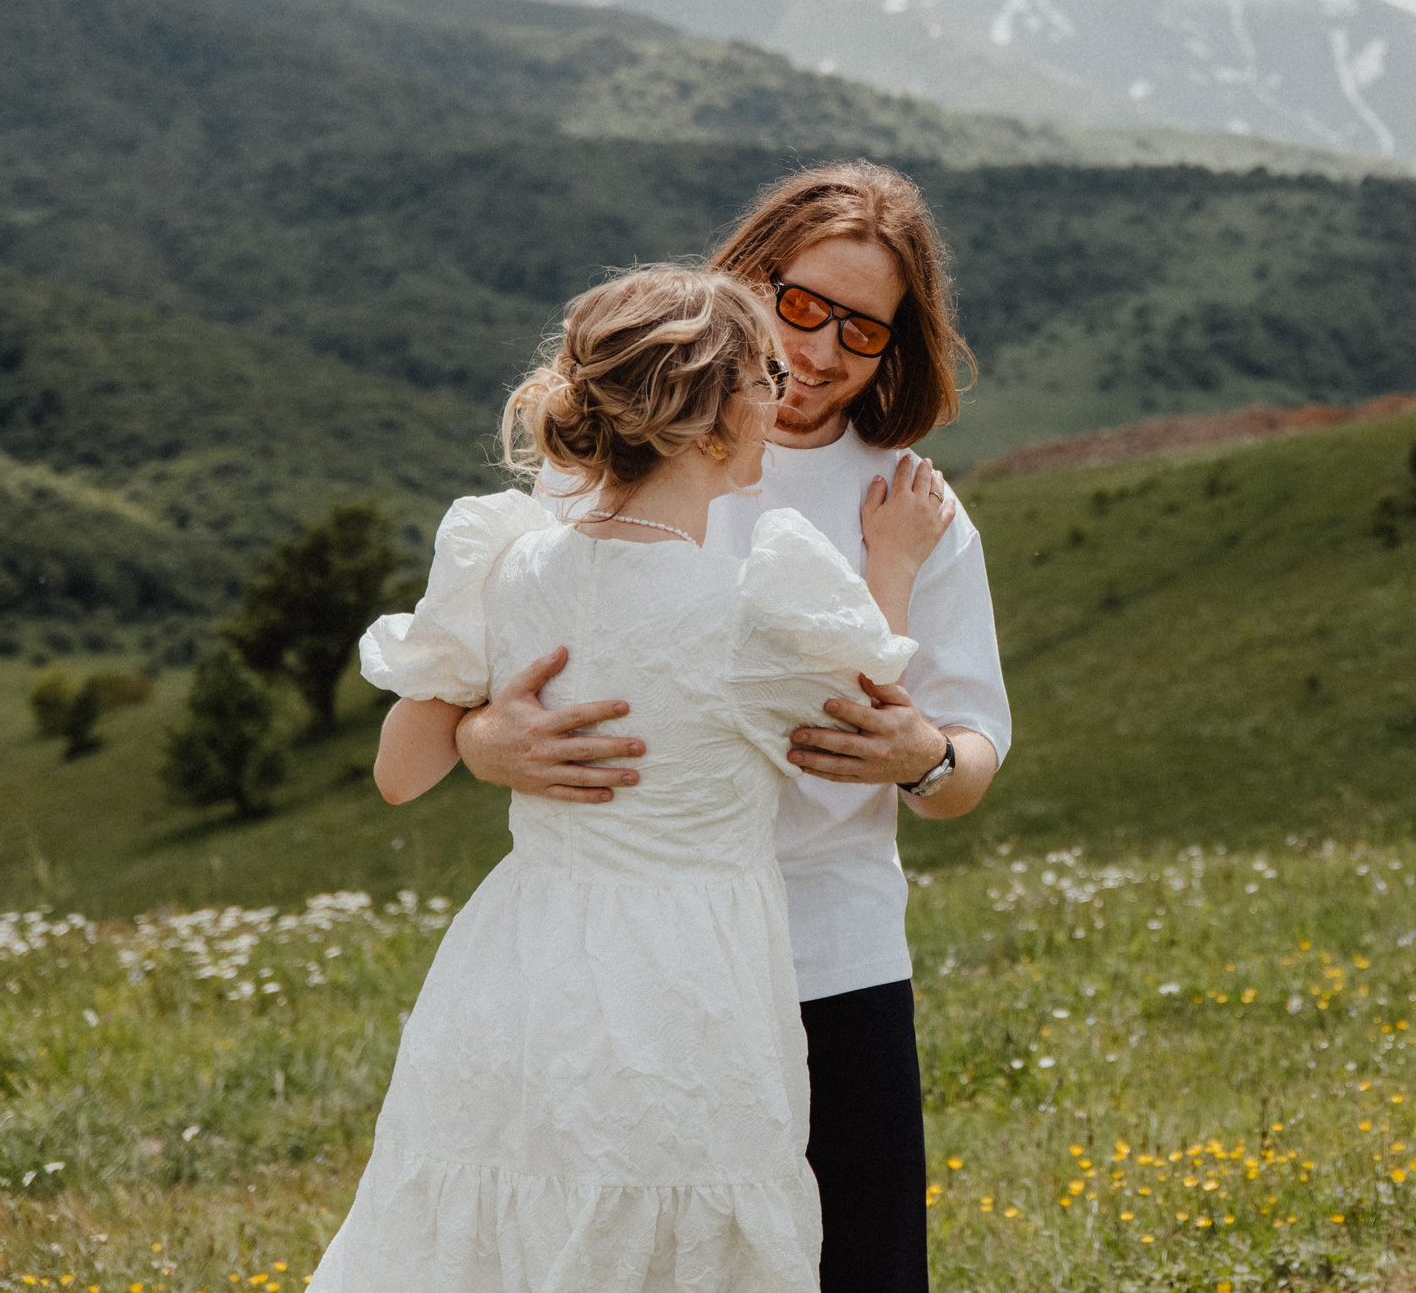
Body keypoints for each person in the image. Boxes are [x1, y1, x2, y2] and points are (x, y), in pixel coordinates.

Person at [313, 264, 954, 1291]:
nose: (780, 394)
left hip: (519, 972)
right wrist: (896, 561)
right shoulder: (749, 611)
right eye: (764, 378)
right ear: (714, 422)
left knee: (503, 1229)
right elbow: (871, 708)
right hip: (684, 986)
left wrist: (479, 730)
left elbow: (397, 773)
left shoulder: (510, 561)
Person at [448, 162, 1011, 1293]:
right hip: (629, 958)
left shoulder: (911, 508)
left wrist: (927, 760)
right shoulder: (611, 458)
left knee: (859, 1265)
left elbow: (970, 752)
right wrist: (484, 745)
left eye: (862, 330)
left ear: (895, 348)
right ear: (749, 278)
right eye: (800, 304)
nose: (819, 351)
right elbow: (481, 673)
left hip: (831, 955)